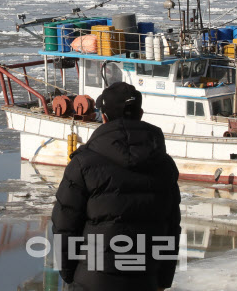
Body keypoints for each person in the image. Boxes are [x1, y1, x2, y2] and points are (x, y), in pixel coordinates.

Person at [52, 82, 181, 291]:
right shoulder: (165, 165)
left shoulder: (83, 164)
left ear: (103, 117)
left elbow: (64, 225)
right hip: (145, 280)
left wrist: (69, 274)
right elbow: (171, 227)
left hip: (92, 281)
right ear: (140, 113)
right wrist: (163, 279)